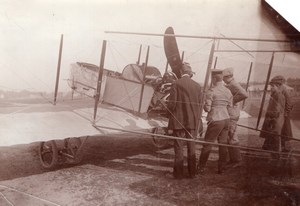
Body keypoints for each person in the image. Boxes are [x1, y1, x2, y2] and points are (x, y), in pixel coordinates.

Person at [167, 62, 202, 179]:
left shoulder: (176, 84)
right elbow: (200, 105)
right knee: (192, 147)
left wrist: (167, 110)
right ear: (190, 73)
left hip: (178, 121)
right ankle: (192, 173)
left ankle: (178, 174)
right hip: (192, 122)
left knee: (179, 147)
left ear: (181, 72)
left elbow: (172, 104)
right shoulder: (197, 86)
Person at [197, 69, 232, 175]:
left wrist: (204, 104)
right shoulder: (228, 91)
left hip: (216, 119)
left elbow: (207, 109)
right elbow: (230, 106)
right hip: (226, 119)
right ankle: (222, 168)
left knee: (207, 144)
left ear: (214, 79)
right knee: (223, 144)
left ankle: (201, 167)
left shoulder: (212, 91)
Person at [260, 75, 293, 157]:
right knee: (274, 131)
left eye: (273, 84)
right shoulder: (276, 91)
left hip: (281, 115)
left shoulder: (283, 91)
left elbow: (289, 104)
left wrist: (285, 113)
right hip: (276, 114)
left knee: (279, 132)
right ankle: (270, 146)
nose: (271, 87)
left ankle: (278, 149)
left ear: (278, 84)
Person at [222, 67, 248, 168]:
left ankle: (236, 160)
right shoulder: (230, 84)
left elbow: (244, 94)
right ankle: (232, 158)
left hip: (232, 114)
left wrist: (233, 101)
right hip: (230, 113)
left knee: (232, 136)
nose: (223, 79)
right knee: (229, 135)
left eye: (224, 78)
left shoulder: (233, 84)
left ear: (228, 77)